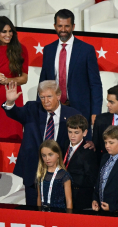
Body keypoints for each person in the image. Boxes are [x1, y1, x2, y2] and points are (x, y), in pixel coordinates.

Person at [2, 80, 80, 206]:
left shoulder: (72, 114)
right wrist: (10, 102)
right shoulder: (32, 108)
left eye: (49, 96)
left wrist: (89, 143)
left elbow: (82, 136)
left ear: (58, 96)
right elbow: (15, 113)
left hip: (59, 175)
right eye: (42, 97)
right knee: (33, 212)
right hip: (34, 171)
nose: (45, 101)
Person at [39, 9, 103, 140]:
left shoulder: (86, 50)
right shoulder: (48, 50)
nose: (63, 29)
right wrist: (39, 109)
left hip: (80, 109)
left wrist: (96, 112)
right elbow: (43, 82)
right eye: (60, 26)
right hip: (55, 108)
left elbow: (95, 84)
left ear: (73, 26)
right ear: (54, 26)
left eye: (67, 26)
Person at [63, 114, 98, 210]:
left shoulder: (88, 152)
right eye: (70, 132)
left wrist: (68, 180)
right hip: (63, 196)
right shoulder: (65, 144)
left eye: (76, 132)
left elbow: (91, 179)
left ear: (85, 132)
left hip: (79, 198)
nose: (72, 136)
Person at [37, 140, 72, 210]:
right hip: (43, 214)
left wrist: (68, 219)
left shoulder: (64, 175)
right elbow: (39, 198)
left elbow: (69, 201)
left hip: (59, 214)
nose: (47, 158)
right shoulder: (41, 174)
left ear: (58, 154)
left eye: (50, 154)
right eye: (44, 155)